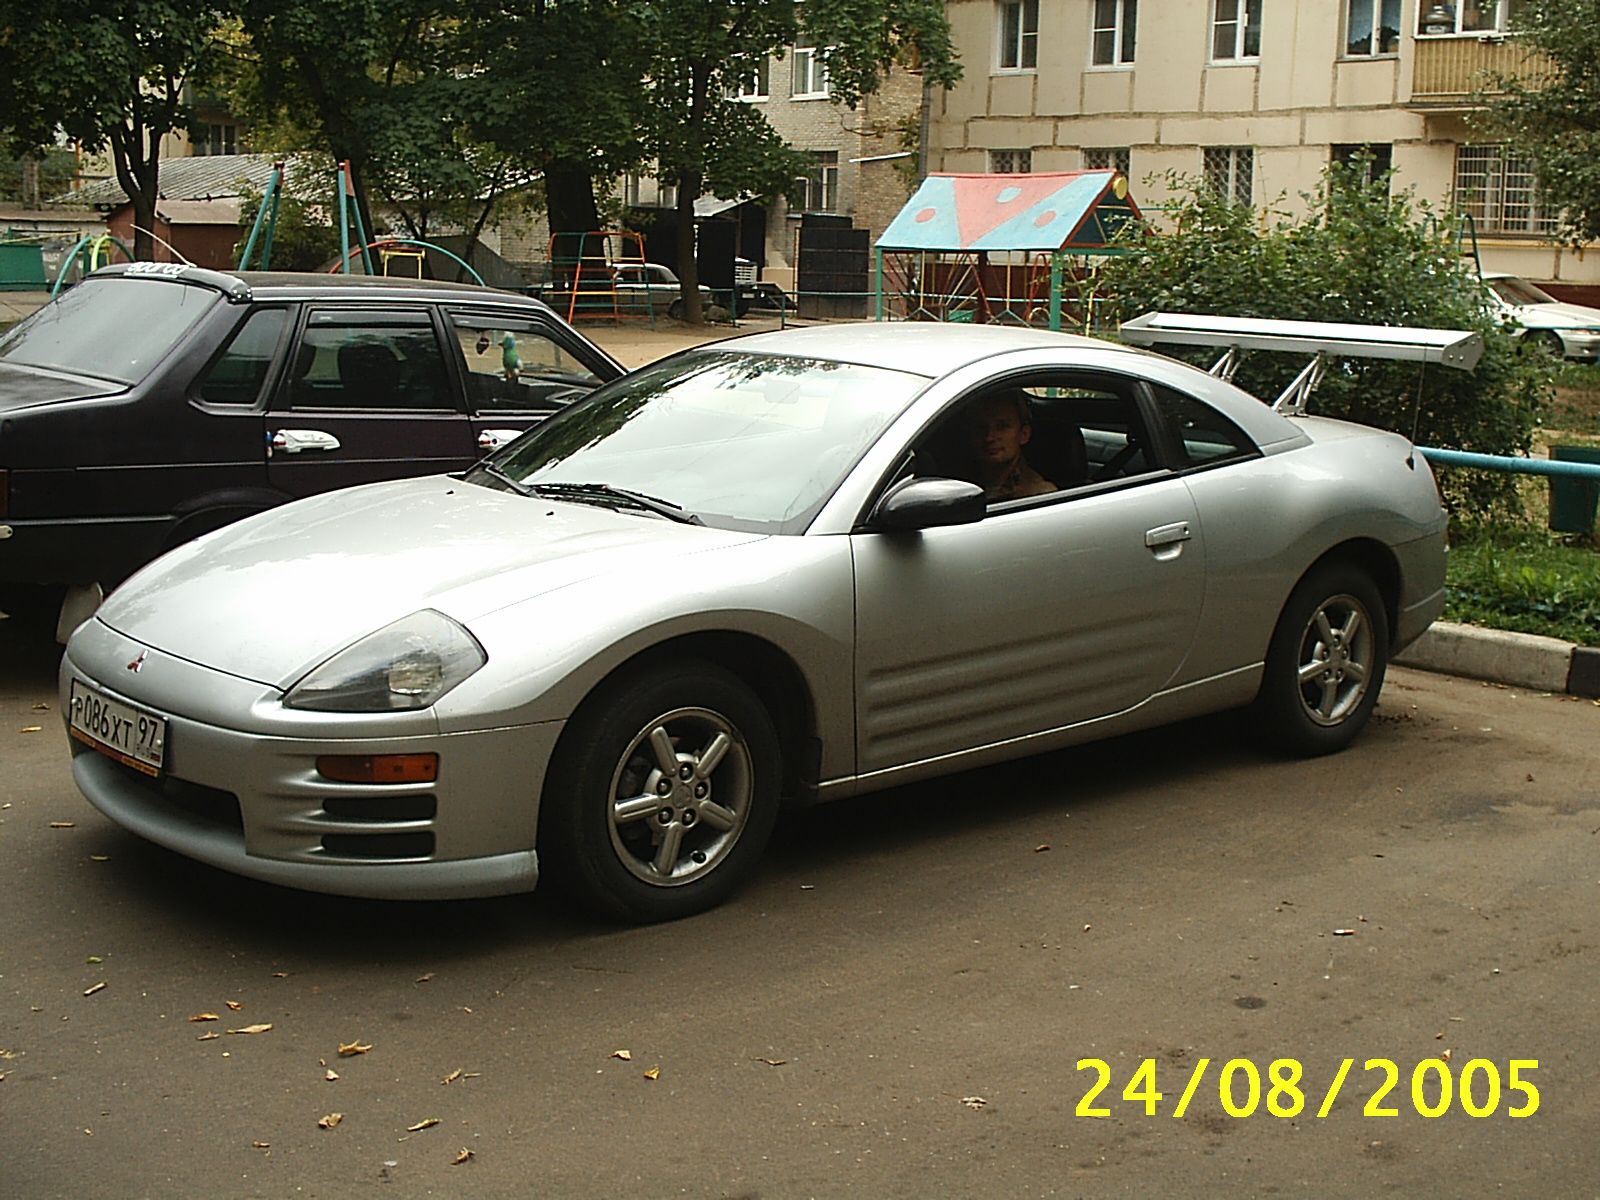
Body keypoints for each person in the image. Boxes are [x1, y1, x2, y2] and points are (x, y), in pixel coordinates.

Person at [967, 391, 1056, 501]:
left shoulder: (1039, 494)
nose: (989, 437)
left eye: (1002, 426)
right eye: (981, 427)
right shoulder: (956, 485)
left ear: (1024, 434)